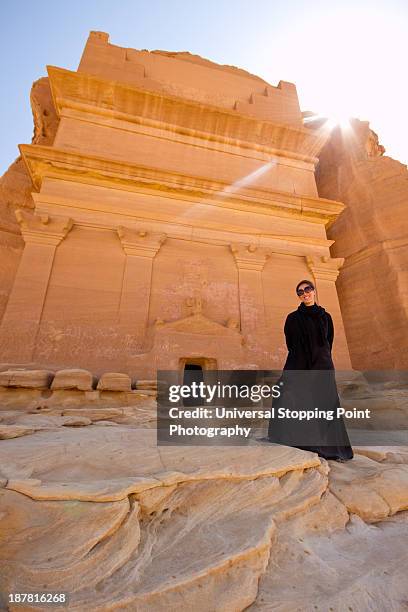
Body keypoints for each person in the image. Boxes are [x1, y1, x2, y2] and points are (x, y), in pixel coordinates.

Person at [267, 279, 353, 461]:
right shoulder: (292, 318)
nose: (305, 293)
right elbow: (290, 343)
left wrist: (322, 359)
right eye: (300, 292)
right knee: (286, 394)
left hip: (322, 365)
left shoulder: (325, 317)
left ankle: (329, 447)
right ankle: (294, 438)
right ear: (298, 295)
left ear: (314, 291)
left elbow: (329, 341)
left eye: (308, 289)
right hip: (299, 363)